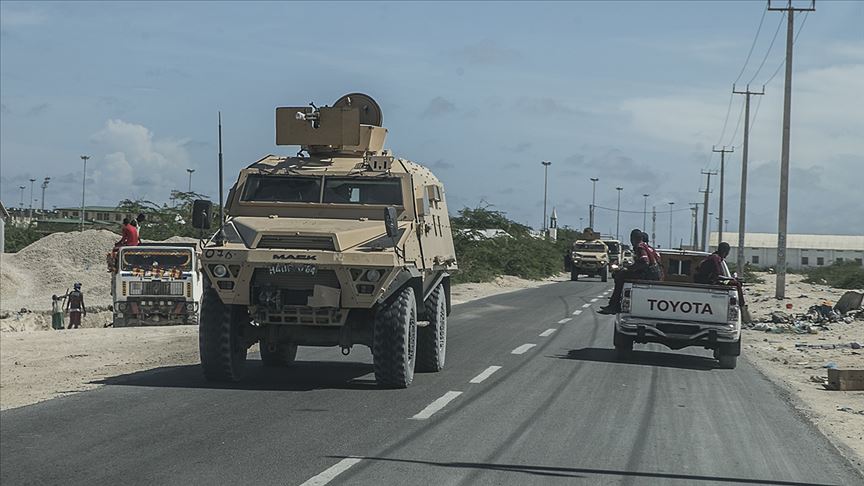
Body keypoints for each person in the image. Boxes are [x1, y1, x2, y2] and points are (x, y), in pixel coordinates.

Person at [599, 228, 661, 315]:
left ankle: (614, 305)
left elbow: (645, 262)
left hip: (648, 274)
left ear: (633, 238)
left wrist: (630, 268)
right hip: (655, 274)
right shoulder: (648, 247)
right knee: (621, 273)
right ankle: (616, 302)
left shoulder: (639, 247)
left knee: (620, 275)